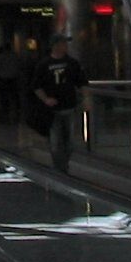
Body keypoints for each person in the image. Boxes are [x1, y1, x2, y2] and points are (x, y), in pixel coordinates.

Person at [29, 34, 88, 173]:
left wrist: (87, 99)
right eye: (63, 44)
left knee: (70, 142)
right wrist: (46, 99)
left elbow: (82, 82)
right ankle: (59, 167)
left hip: (69, 106)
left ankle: (63, 165)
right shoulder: (44, 64)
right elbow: (36, 86)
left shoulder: (72, 63)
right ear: (55, 46)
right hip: (52, 110)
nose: (65, 47)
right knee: (55, 141)